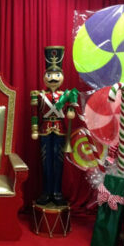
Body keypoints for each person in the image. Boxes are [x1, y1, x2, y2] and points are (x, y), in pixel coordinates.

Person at [31, 46, 75, 206]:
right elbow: (35, 114)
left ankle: (57, 191)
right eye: (50, 74)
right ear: (45, 76)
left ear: (62, 76)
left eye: (57, 74)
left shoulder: (67, 95)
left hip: (61, 132)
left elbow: (71, 108)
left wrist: (70, 110)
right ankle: (46, 191)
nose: (53, 78)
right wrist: (34, 129)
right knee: (45, 161)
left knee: (59, 161)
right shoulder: (39, 95)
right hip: (43, 131)